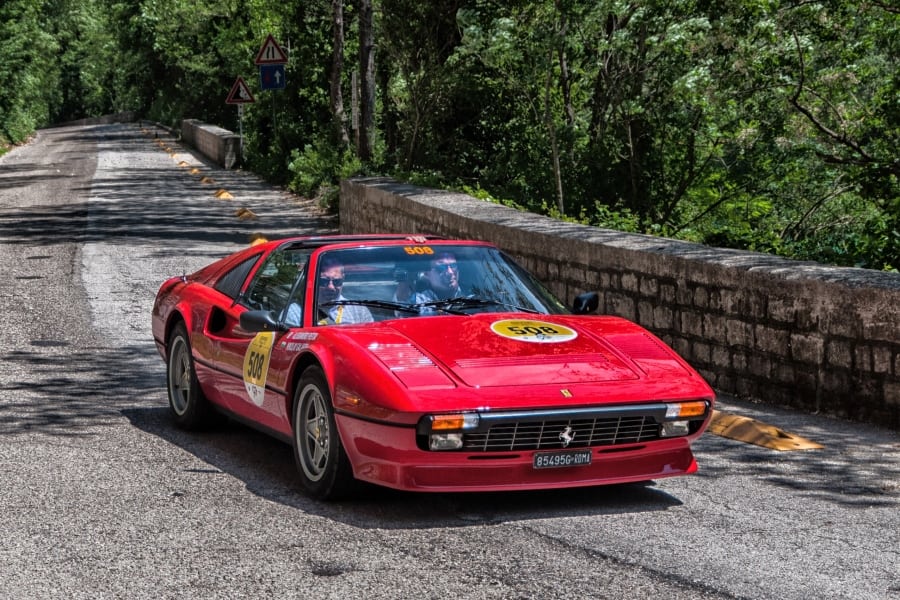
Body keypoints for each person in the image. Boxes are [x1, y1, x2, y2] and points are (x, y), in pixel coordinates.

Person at [284, 256, 373, 326]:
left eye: (336, 281)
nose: (331, 287)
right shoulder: (295, 313)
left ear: (343, 279)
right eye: (324, 282)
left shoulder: (359, 311)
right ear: (313, 280)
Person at [394, 252, 467, 312]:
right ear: (426, 273)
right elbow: (400, 310)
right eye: (441, 267)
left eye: (453, 265)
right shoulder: (419, 302)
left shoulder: (473, 296)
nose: (450, 272)